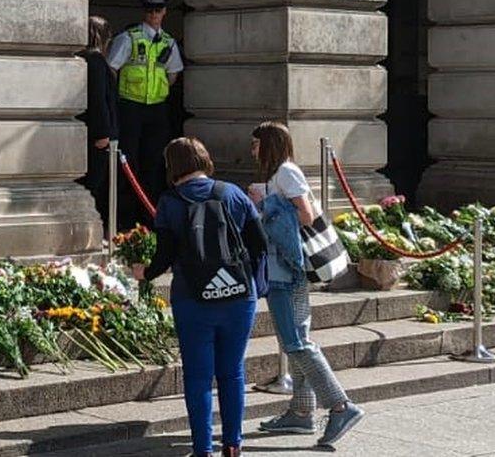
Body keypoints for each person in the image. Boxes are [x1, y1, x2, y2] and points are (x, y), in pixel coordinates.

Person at [132, 137, 267, 457]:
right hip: (238, 296)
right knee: (233, 372)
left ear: (173, 166)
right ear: (204, 160)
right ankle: (233, 445)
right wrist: (251, 280)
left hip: (192, 298)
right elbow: (260, 243)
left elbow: (163, 257)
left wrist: (144, 274)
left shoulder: (170, 201)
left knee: (198, 376)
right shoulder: (232, 193)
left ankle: (202, 449)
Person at [247, 121, 364, 448]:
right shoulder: (279, 175)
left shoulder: (286, 173)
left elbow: (307, 215)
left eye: (256, 144)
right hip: (283, 266)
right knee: (294, 339)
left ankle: (341, 405)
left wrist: (264, 203)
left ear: (268, 144)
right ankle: (301, 412)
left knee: (296, 341)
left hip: (288, 267)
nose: (252, 150)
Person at [107, 0, 184, 229]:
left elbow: (173, 74)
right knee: (128, 162)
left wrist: (157, 91)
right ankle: (125, 220)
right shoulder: (129, 38)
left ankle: (150, 217)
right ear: (145, 12)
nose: (153, 15)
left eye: (158, 11)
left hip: (156, 109)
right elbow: (111, 68)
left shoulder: (168, 42)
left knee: (154, 163)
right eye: (150, 11)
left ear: (164, 12)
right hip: (130, 106)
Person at [77, 15, 119, 224]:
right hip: (97, 136)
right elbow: (98, 99)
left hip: (88, 133)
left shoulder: (84, 59)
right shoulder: (95, 60)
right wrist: (103, 132)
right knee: (95, 184)